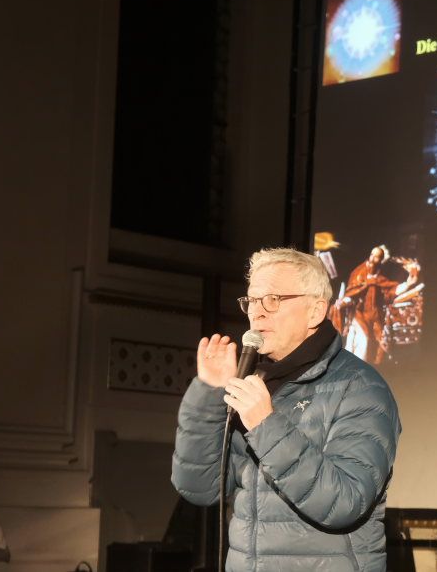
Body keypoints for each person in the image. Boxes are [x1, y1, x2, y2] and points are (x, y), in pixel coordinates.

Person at [172, 247, 401, 571]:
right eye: (252, 301)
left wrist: (265, 425)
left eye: (273, 299)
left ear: (315, 311)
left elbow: (345, 502)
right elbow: (199, 488)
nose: (257, 313)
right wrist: (210, 392)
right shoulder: (255, 384)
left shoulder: (360, 388)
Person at [335, 245, 420, 364]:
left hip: (374, 318)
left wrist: (407, 284)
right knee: (361, 342)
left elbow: (390, 292)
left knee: (370, 346)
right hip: (358, 315)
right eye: (372, 255)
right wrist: (346, 300)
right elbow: (352, 291)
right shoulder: (359, 272)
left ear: (381, 260)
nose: (373, 258)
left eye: (377, 257)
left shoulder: (380, 279)